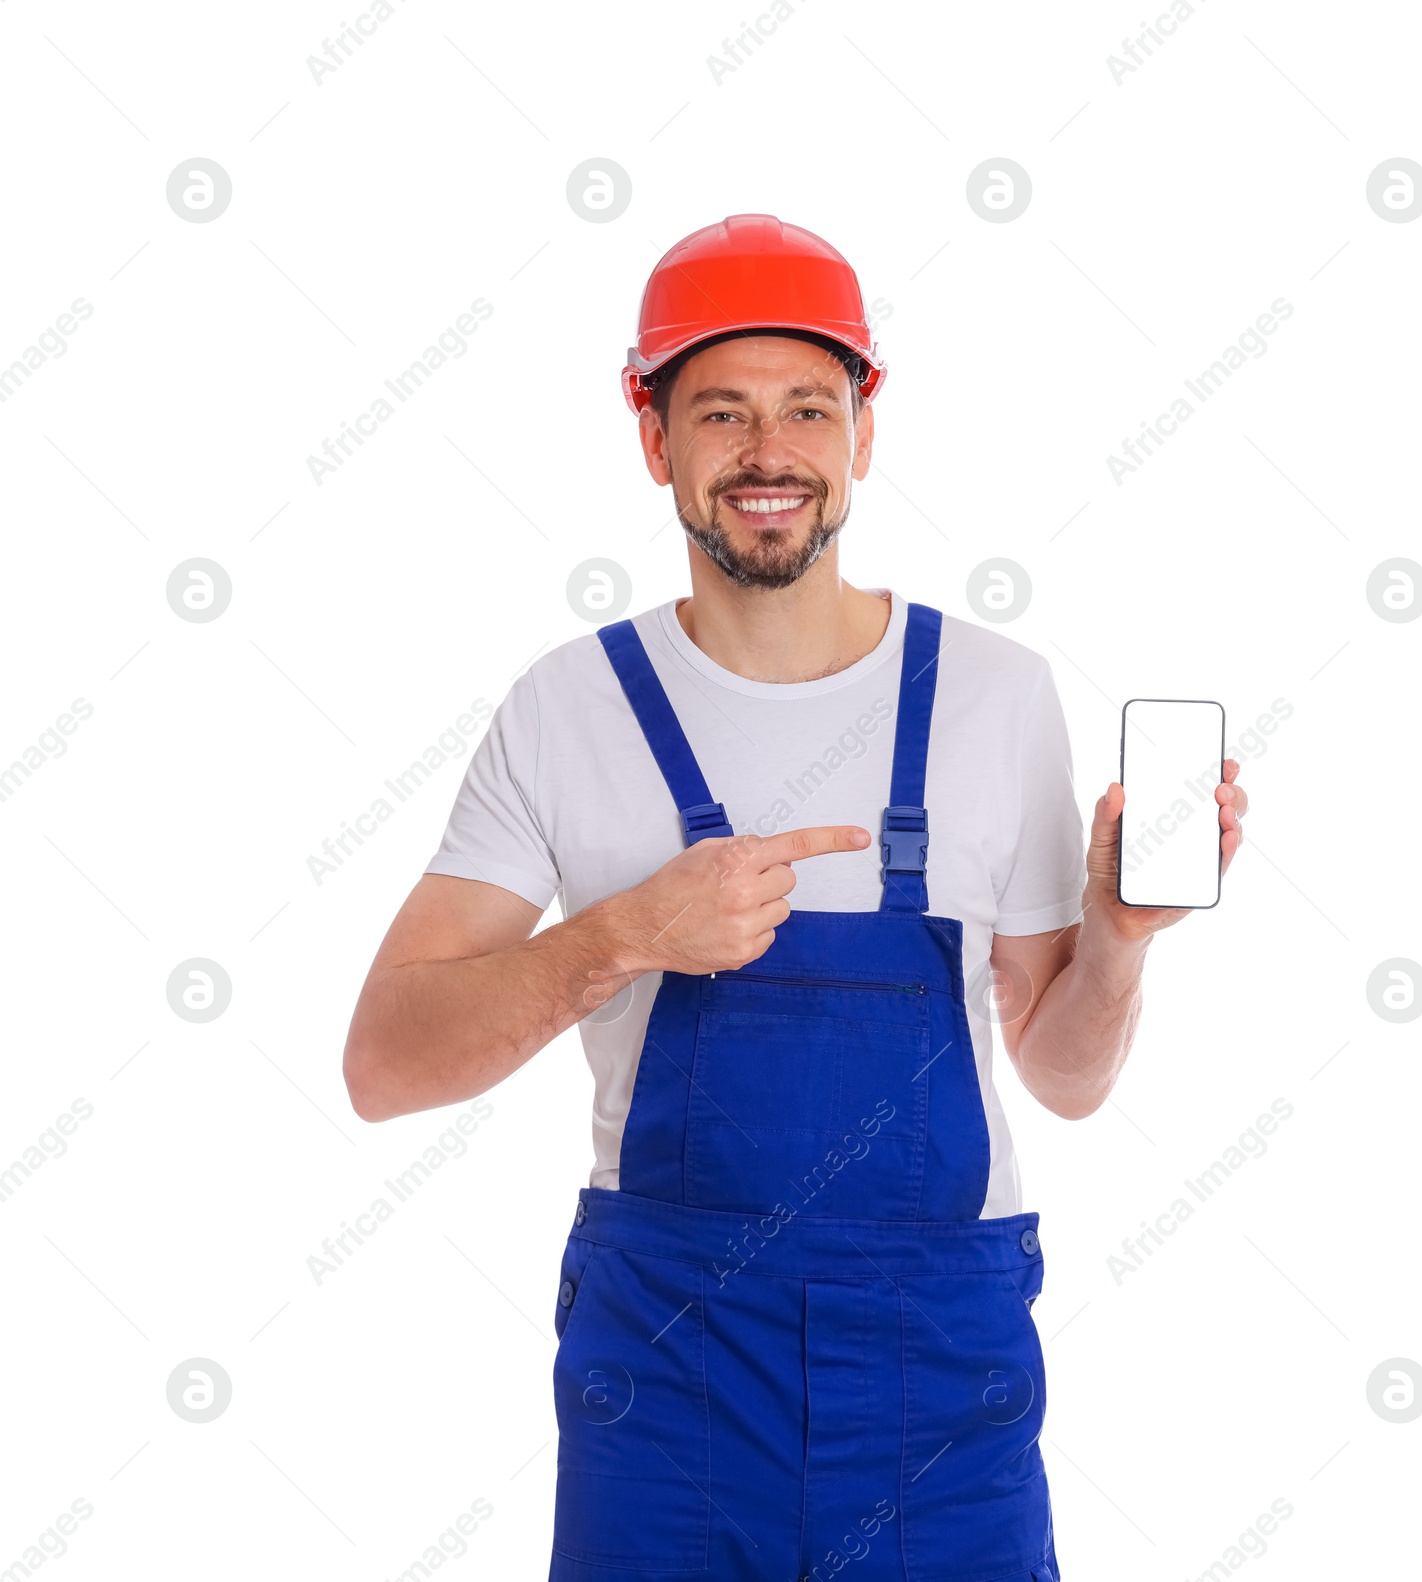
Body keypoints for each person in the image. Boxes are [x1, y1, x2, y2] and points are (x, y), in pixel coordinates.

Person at [343, 213, 1249, 1582]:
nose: (769, 454)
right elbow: (382, 1062)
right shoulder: (567, 708)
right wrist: (628, 932)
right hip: (666, 1379)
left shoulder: (998, 696)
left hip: (942, 1384)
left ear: (864, 431)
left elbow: (1062, 1074)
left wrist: (1116, 944)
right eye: (721, 411)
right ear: (654, 439)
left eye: (807, 408)